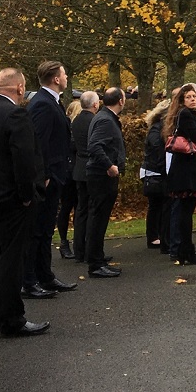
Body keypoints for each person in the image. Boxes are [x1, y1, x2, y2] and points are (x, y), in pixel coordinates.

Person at [0, 69, 50, 338]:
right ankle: (12, 317)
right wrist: (28, 194)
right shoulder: (15, 114)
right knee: (12, 257)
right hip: (11, 198)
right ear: (19, 88)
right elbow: (24, 159)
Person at [23, 61, 77, 298]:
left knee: (45, 230)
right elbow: (39, 143)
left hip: (55, 174)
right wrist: (43, 176)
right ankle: (31, 279)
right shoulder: (43, 105)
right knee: (38, 230)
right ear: (56, 78)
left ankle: (45, 275)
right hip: (49, 178)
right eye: (64, 74)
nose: (66, 77)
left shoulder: (50, 102)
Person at [163, 84, 196, 261]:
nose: (193, 99)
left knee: (186, 211)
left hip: (190, 169)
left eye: (194, 96)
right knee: (184, 213)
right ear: (182, 100)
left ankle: (184, 249)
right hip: (186, 171)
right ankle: (185, 250)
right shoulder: (185, 115)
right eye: (189, 97)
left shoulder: (191, 115)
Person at [84, 87, 127, 277]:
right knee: (98, 219)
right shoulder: (105, 120)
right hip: (101, 176)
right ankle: (95, 263)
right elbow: (94, 146)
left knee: (99, 218)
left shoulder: (105, 118)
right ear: (121, 101)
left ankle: (97, 257)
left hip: (100, 175)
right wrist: (109, 165)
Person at [68, 91, 99, 262]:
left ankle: (79, 249)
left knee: (81, 210)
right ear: (95, 104)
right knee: (92, 210)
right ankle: (90, 250)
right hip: (91, 169)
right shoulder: (94, 121)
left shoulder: (76, 120)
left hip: (79, 169)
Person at [141, 99, 172, 251]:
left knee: (157, 206)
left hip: (156, 171)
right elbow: (157, 152)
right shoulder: (156, 130)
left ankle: (156, 235)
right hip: (155, 172)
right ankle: (154, 236)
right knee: (157, 205)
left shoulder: (158, 129)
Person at [55, 100, 82, 258]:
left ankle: (72, 242)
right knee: (68, 208)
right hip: (69, 173)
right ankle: (65, 243)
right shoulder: (68, 130)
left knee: (74, 208)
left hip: (73, 171)